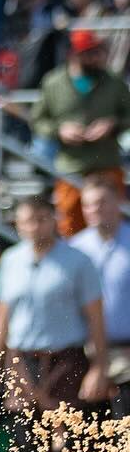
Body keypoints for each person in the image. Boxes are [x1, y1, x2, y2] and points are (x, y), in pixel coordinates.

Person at [0, 193, 113, 452]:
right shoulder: (11, 260)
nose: (34, 227)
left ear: (52, 220)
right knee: (37, 449)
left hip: (66, 359)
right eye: (27, 221)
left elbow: (96, 319)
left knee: (73, 445)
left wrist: (99, 367)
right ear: (19, 225)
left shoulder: (76, 261)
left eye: (41, 219)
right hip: (25, 361)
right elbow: (2, 319)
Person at [32, 29, 130, 236]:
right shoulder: (54, 82)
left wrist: (113, 125)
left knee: (113, 223)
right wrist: (60, 130)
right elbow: (37, 120)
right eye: (88, 53)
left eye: (96, 52)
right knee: (70, 225)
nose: (94, 58)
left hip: (107, 164)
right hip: (71, 167)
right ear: (73, 54)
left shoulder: (114, 82)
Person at [71, 177, 130, 417]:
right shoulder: (74, 248)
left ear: (118, 201)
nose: (94, 210)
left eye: (102, 202)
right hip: (84, 354)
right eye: (88, 205)